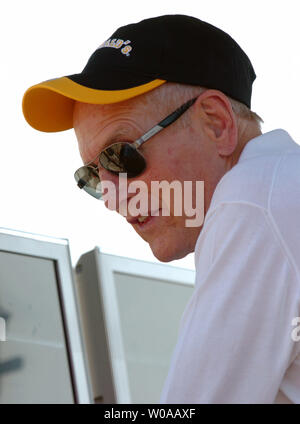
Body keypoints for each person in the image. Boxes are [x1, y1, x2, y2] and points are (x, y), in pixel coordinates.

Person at [22, 14, 300, 403]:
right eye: (93, 175)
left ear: (216, 123)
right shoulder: (281, 188)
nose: (114, 199)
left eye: (121, 156)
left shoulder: (252, 203)